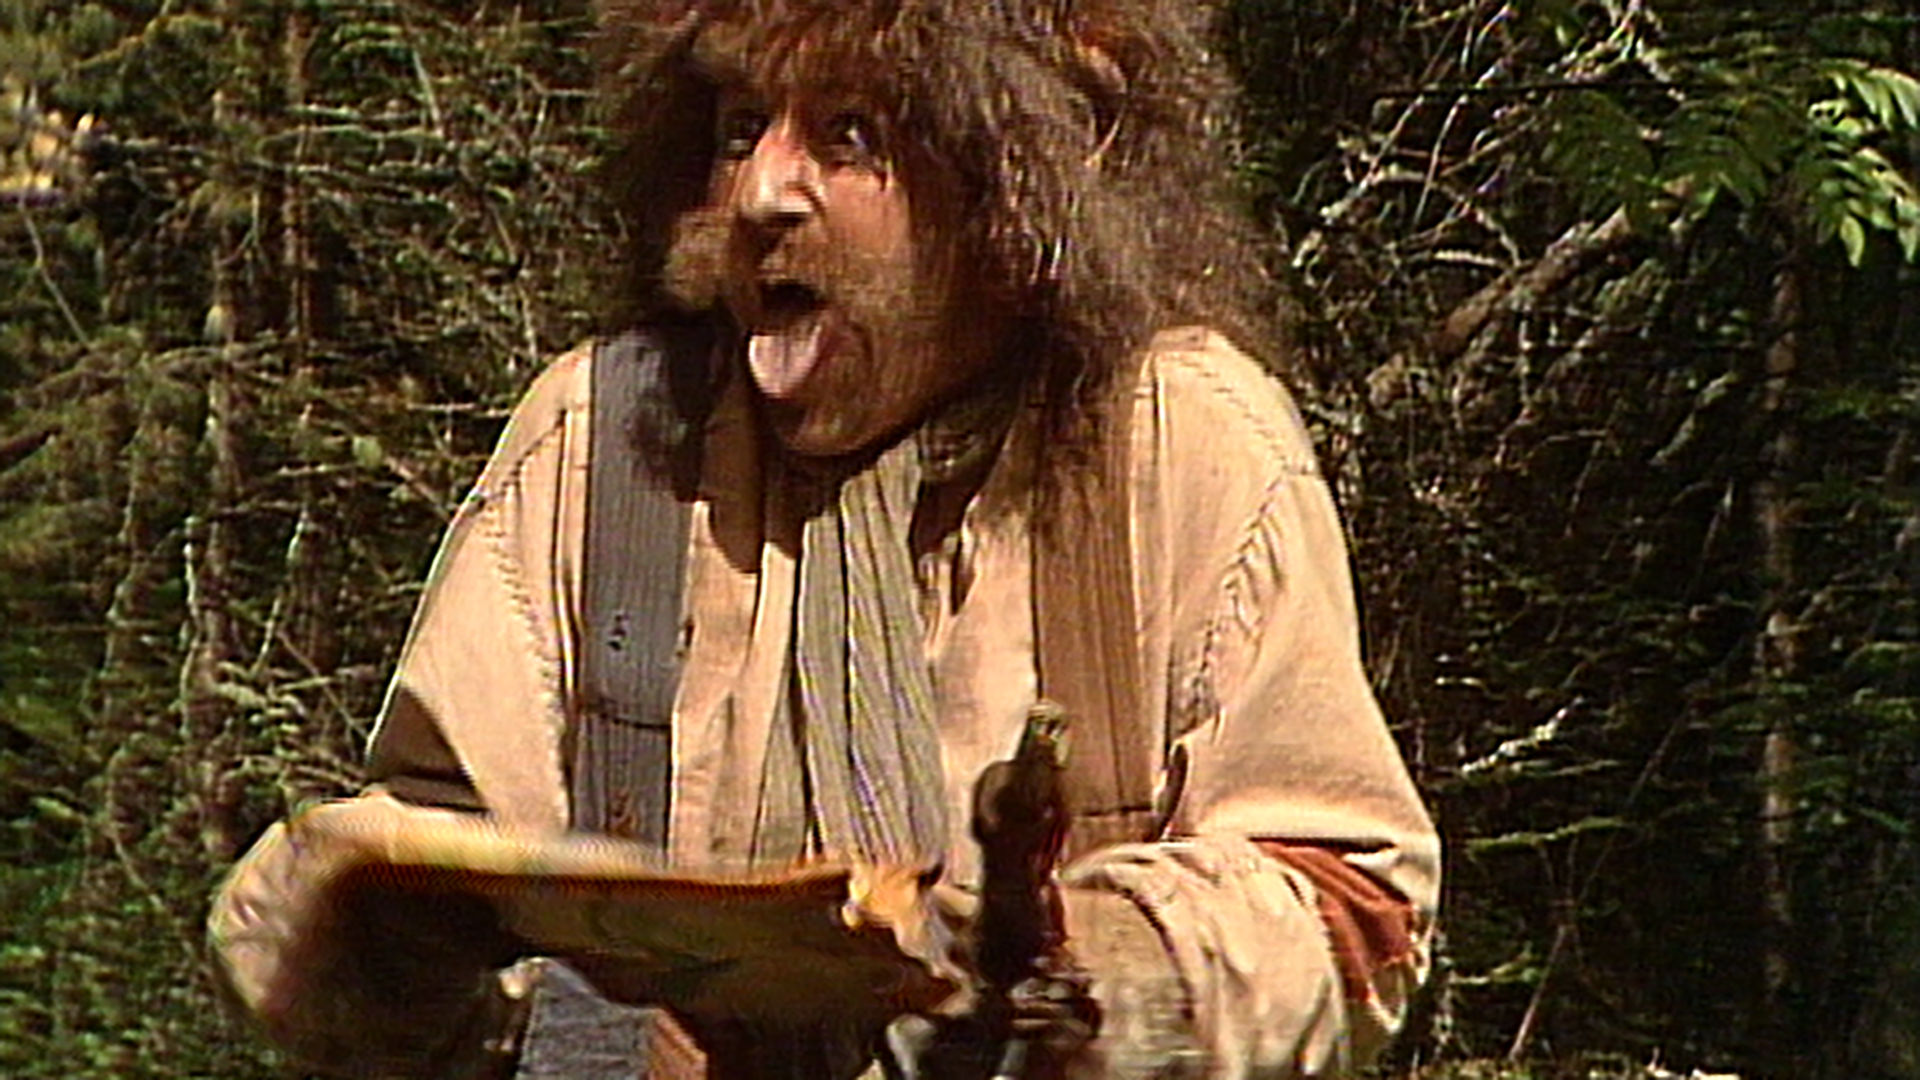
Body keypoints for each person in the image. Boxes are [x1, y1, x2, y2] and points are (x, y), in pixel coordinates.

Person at [207, 1, 1441, 1077]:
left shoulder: (1171, 442)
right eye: (741, 124)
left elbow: (1350, 904)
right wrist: (389, 948)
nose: (762, 192)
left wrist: (1082, 966)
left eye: (849, 133)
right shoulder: (606, 442)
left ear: (1023, 174)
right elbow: (424, 876)